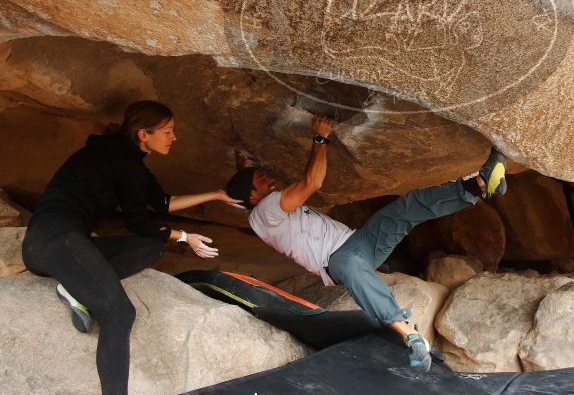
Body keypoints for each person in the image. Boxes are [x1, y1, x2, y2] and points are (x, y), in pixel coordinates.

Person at [225, 115, 507, 373]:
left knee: (403, 210)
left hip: (359, 241)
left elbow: (245, 182)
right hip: (337, 258)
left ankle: (478, 184)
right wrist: (320, 138)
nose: (268, 178)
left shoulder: (260, 212)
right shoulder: (267, 209)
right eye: (260, 179)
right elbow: (312, 182)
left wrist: (243, 166)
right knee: (348, 264)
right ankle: (407, 332)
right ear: (252, 195)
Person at [21, 100, 242, 395]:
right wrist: (184, 236)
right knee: (120, 313)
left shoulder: (128, 160)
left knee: (151, 247)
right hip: (53, 243)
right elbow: (138, 222)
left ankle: (75, 288)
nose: (174, 137)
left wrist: (214, 195)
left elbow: (162, 203)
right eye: (168, 131)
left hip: (66, 245)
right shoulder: (124, 163)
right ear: (143, 134)